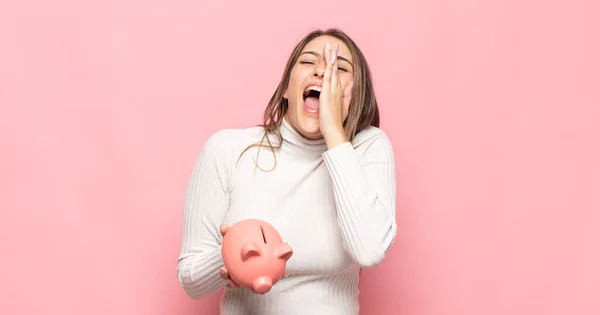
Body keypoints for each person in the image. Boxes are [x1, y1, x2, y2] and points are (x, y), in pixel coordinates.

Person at [176, 28, 397, 315]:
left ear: (356, 96)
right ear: (285, 88)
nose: (322, 71)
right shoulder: (227, 149)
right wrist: (232, 254)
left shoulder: (368, 148)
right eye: (308, 62)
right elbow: (190, 280)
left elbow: (369, 251)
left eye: (339, 67)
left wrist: (333, 131)